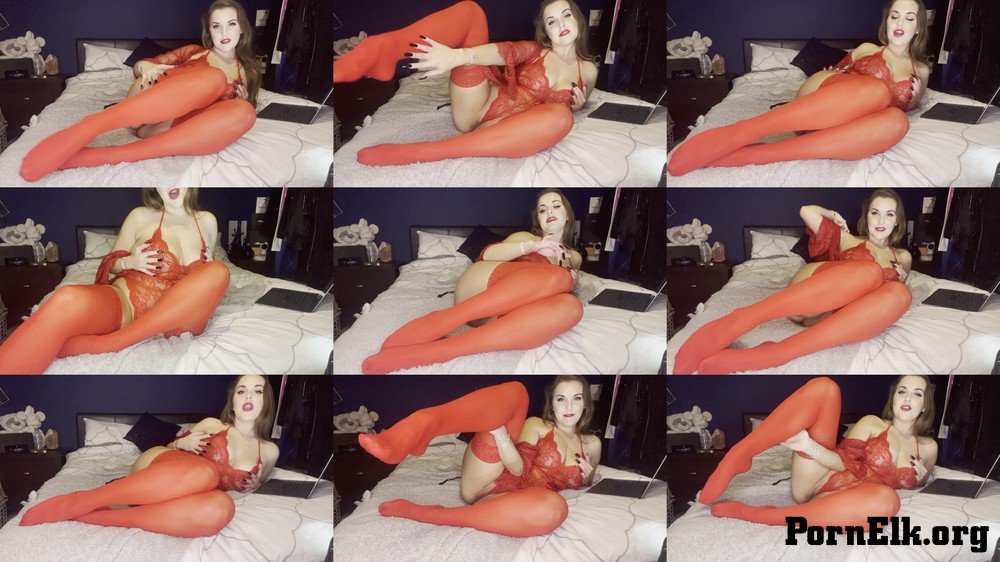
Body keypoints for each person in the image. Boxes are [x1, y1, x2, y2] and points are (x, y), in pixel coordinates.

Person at [667, 0, 931, 176]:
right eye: (894, 16)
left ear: (918, 27)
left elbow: (909, 106)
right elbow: (837, 72)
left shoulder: (921, 71)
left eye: (909, 18)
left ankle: (764, 154)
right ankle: (745, 130)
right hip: (820, 107)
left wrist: (913, 98)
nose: (899, 23)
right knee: (877, 91)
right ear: (886, 21)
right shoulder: (867, 48)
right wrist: (834, 74)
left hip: (848, 131)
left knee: (898, 121)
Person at [673, 188, 913, 374]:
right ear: (866, 216)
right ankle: (743, 317)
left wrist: (897, 282)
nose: (881, 220)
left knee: (901, 294)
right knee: (870, 272)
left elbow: (883, 304)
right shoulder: (848, 238)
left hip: (834, 318)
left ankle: (779, 353)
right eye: (875, 212)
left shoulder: (903, 257)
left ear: (897, 221)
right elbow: (806, 210)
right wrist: (831, 215)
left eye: (889, 214)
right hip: (809, 298)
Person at [333, 0, 599, 166]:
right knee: (472, 12)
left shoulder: (589, 70)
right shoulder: (536, 51)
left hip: (505, 130)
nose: (560, 24)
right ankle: (382, 50)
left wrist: (576, 107)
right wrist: (459, 56)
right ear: (546, 31)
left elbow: (577, 102)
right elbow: (505, 51)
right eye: (552, 21)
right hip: (478, 106)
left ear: (578, 20)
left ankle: (424, 152)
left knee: (563, 116)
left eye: (566, 15)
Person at [19, 0, 260, 182]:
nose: (224, 33)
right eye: (217, 26)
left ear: (242, 29)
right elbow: (142, 67)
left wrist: (243, 102)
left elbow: (228, 116)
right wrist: (145, 65)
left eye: (231, 24)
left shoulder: (249, 71)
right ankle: (94, 123)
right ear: (210, 31)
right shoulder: (193, 52)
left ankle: (123, 153)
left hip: (169, 126)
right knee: (214, 78)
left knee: (245, 112)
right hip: (146, 101)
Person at [0, 187, 229, 374]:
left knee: (218, 271)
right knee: (66, 297)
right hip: (127, 303)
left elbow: (209, 281)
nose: (172, 183)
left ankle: (113, 343)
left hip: (176, 321)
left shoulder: (207, 221)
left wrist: (205, 268)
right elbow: (111, 264)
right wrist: (131, 261)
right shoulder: (140, 215)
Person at [19, 375, 280, 537]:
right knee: (206, 472)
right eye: (241, 390)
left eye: (257, 390)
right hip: (158, 468)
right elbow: (170, 447)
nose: (248, 395)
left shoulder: (269, 451)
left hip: (186, 498)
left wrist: (258, 482)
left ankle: (97, 517)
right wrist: (181, 442)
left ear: (266, 401)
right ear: (233, 401)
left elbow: (260, 480)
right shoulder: (213, 424)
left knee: (222, 508)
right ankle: (85, 500)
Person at [361, 188, 583, 374]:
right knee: (560, 277)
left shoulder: (574, 258)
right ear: (539, 220)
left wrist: (570, 282)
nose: (549, 211)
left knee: (572, 307)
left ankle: (449, 349)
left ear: (567, 216)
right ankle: (447, 318)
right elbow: (488, 255)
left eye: (556, 206)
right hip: (479, 291)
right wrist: (531, 248)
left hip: (505, 317)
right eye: (543, 209)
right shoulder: (526, 238)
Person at [359, 377, 602, 537]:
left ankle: (430, 512)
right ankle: (422, 424)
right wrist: (500, 434)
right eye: (561, 399)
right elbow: (518, 470)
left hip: (519, 500)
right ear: (553, 404)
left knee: (554, 509)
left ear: (585, 404)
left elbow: (585, 482)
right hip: (491, 479)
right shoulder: (538, 425)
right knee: (517, 392)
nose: (568, 406)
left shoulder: (592, 444)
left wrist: (588, 476)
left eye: (576, 398)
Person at [702, 376, 937, 528]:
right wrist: (808, 446)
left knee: (887, 501)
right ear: (893, 398)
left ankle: (760, 515)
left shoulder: (929, 448)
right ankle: (738, 455)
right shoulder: (872, 423)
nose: (907, 397)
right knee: (825, 388)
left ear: (925, 405)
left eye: (917, 393)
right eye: (902, 391)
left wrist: (921, 479)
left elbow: (917, 483)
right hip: (822, 478)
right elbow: (843, 463)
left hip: (855, 499)